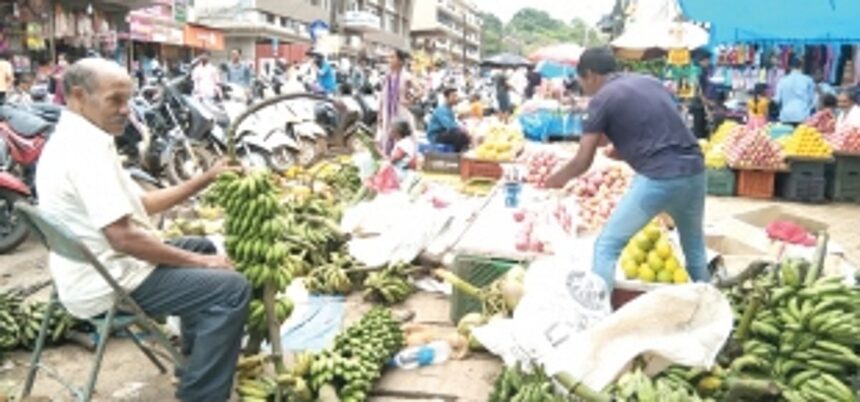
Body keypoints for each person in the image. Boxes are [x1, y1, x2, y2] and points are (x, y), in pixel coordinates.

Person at [36, 58, 250, 402]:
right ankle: (202, 395)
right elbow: (123, 238)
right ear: (78, 96)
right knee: (232, 289)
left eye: (129, 99)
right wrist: (200, 265)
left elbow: (144, 205)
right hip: (107, 282)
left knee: (202, 246)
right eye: (115, 100)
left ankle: (195, 364)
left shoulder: (82, 139)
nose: (126, 110)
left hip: (95, 268)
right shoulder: (83, 153)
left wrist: (206, 178)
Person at [545, 48, 707, 293]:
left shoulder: (601, 98)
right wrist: (619, 152)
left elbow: (582, 161)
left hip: (659, 178)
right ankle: (709, 305)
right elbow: (657, 131)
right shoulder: (650, 83)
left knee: (607, 246)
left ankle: (599, 317)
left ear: (590, 75)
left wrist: (553, 181)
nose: (583, 87)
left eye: (581, 81)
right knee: (693, 244)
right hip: (695, 170)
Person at [378, 50, 417, 155]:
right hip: (387, 113)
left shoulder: (406, 76)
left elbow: (421, 90)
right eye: (389, 57)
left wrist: (410, 101)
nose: (389, 60)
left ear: (400, 61)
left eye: (392, 57)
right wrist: (380, 114)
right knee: (386, 138)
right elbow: (382, 97)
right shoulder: (386, 77)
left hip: (401, 112)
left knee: (403, 141)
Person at [427, 88, 470, 152]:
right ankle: (456, 155)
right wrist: (462, 129)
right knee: (459, 135)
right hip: (436, 136)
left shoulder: (450, 110)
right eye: (453, 96)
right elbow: (450, 126)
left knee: (465, 137)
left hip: (445, 134)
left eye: (456, 96)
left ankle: (462, 154)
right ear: (446, 97)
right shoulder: (441, 110)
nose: (456, 98)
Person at [775, 58, 815, 125]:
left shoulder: (782, 81)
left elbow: (777, 100)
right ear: (802, 66)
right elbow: (812, 101)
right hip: (803, 116)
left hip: (785, 116)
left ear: (790, 67)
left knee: (785, 135)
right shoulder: (808, 80)